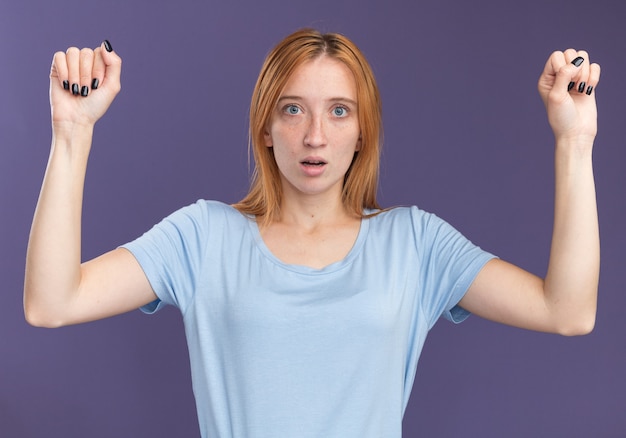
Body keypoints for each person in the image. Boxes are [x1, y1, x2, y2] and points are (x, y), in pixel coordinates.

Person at [24, 29, 601, 437]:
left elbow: (567, 311)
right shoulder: (202, 236)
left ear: (362, 133)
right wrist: (71, 132)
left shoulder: (415, 244)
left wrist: (574, 143)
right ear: (267, 129)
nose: (316, 136)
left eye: (340, 112)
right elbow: (52, 303)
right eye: (294, 110)